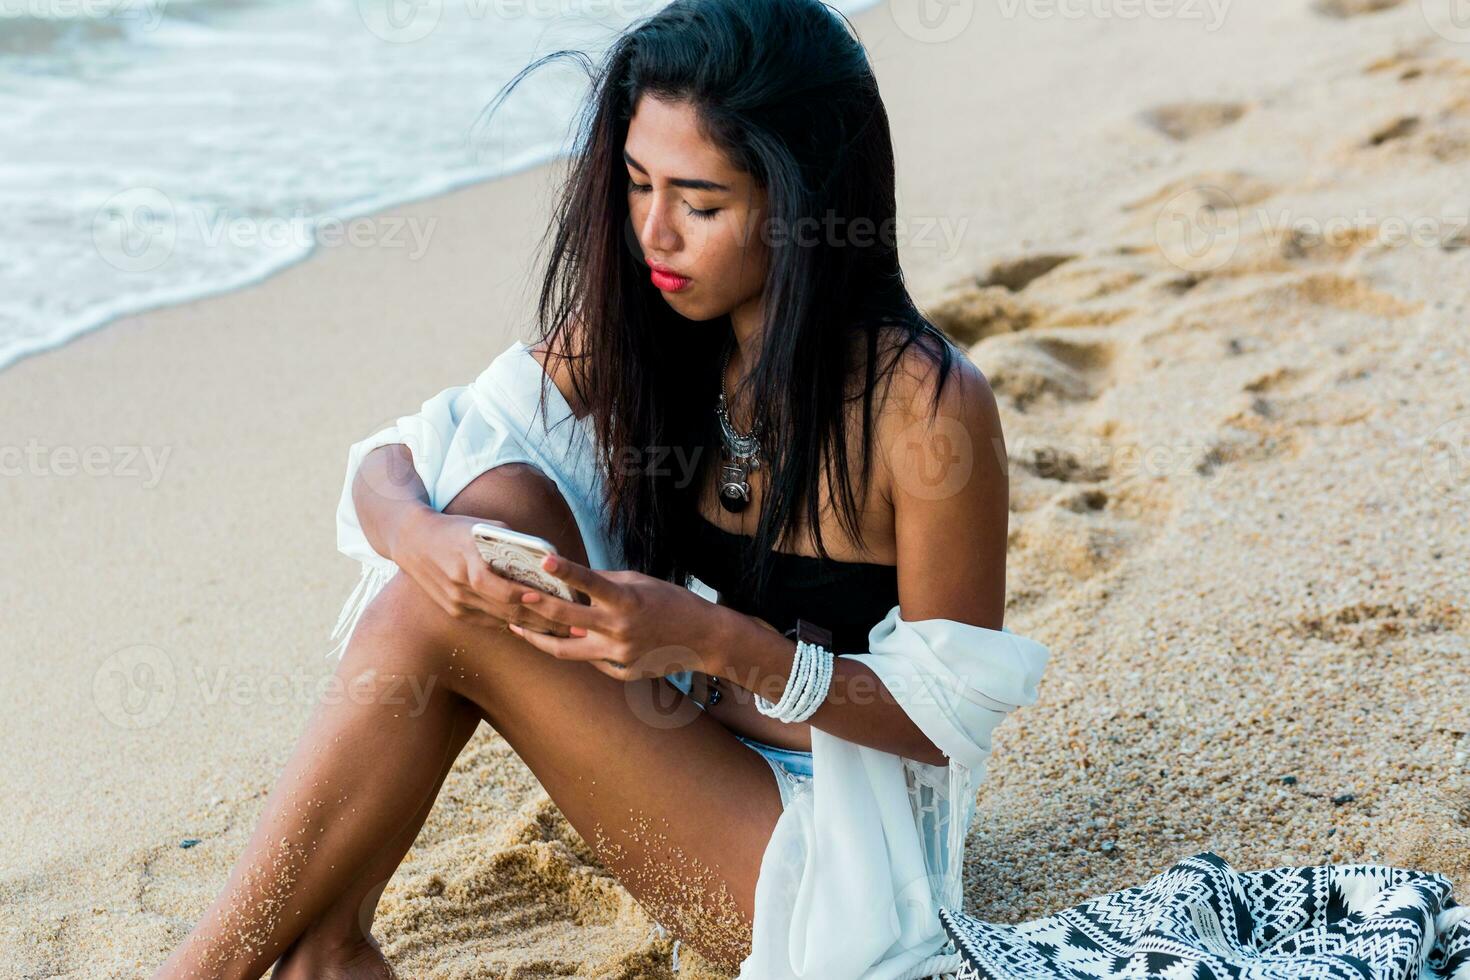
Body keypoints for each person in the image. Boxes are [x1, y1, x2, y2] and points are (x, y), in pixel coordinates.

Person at [152, 1, 1050, 977]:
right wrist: (427, 540)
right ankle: (322, 947)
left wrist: (715, 642)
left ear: (805, 206)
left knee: (442, 605)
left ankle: (222, 968)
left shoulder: (926, 405)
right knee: (487, 510)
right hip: (696, 748)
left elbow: (942, 719)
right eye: (635, 184)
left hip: (846, 866)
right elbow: (398, 461)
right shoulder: (655, 322)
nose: (652, 233)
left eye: (700, 203)